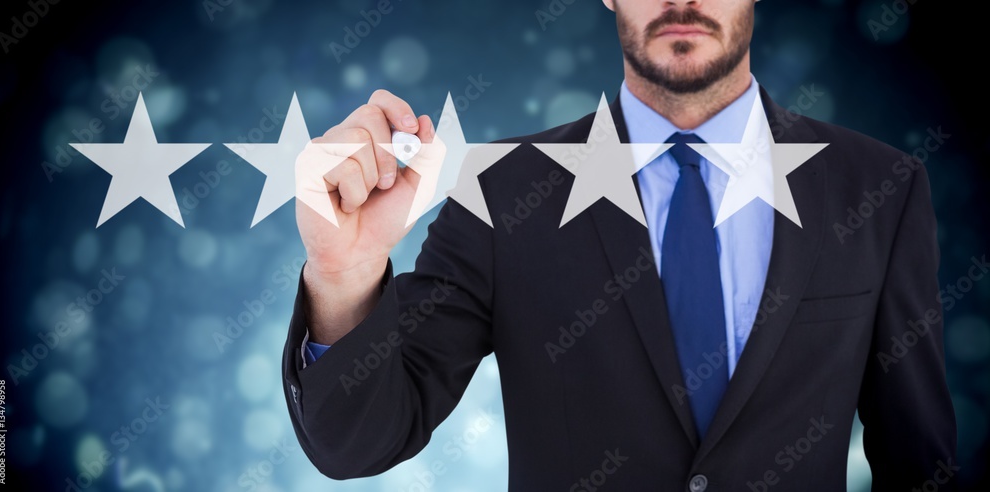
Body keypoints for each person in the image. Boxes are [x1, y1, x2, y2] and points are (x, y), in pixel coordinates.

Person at [282, 1, 957, 490]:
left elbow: (917, 462)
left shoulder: (878, 189)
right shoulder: (502, 191)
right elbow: (358, 445)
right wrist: (345, 271)